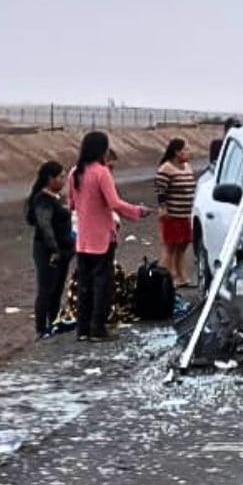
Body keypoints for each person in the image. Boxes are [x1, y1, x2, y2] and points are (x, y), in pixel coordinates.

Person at [66, 132, 151, 341]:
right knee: (102, 285)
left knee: (84, 286)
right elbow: (114, 203)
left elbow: (71, 204)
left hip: (83, 239)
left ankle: (82, 329)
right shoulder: (101, 172)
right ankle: (98, 328)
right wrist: (137, 211)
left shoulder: (74, 172)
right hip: (103, 237)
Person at [25, 160, 74, 339]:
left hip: (63, 250)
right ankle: (41, 328)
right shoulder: (43, 200)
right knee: (46, 289)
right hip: (48, 251)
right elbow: (44, 225)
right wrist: (54, 248)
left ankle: (53, 322)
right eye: (60, 177)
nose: (63, 181)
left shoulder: (57, 197)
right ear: (50, 179)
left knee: (57, 289)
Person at [154, 138, 196, 288]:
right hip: (172, 215)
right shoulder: (166, 169)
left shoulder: (187, 167)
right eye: (186, 149)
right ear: (177, 152)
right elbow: (160, 191)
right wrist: (163, 207)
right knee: (170, 247)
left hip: (185, 214)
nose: (188, 152)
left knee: (182, 246)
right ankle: (165, 278)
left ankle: (180, 276)